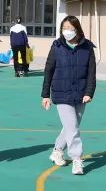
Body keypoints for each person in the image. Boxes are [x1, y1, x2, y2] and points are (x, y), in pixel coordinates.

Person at [41, 16, 97, 176]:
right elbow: (48, 70)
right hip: (61, 93)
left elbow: (91, 73)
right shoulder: (57, 46)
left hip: (81, 94)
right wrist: (45, 95)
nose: (67, 31)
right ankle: (77, 159)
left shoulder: (87, 48)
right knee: (72, 128)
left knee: (71, 127)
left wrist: (89, 92)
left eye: (70, 28)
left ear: (77, 30)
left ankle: (57, 151)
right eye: (64, 28)